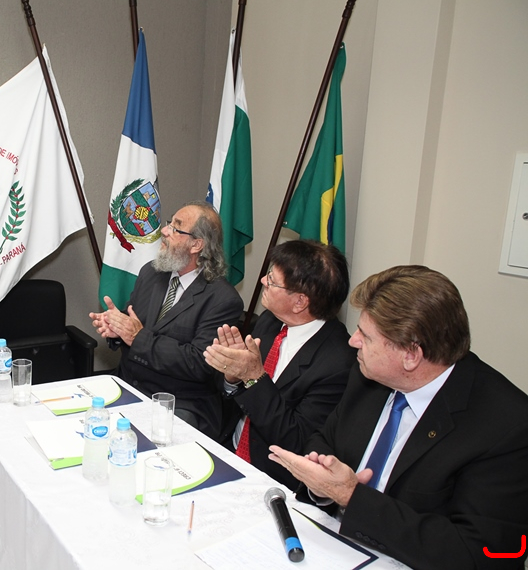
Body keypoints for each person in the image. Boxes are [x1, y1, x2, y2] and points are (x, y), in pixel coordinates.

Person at [269, 265, 528, 569]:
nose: (353, 341)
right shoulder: (368, 375)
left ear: (411, 355)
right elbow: (325, 440)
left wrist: (351, 497)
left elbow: (480, 553)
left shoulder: (508, 427)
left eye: (366, 336)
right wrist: (322, 483)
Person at [203, 240, 355, 489]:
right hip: (229, 448)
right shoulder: (270, 322)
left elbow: (297, 442)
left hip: (274, 478)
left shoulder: (338, 363)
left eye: (272, 280)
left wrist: (253, 377)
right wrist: (232, 376)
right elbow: (237, 396)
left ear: (300, 302)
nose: (263, 280)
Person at [89, 201, 243, 439]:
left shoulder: (223, 300)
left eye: (176, 227)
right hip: (128, 385)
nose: (164, 230)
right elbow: (133, 323)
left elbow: (199, 364)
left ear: (197, 245)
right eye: (170, 223)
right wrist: (117, 328)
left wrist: (137, 337)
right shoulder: (151, 273)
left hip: (180, 403)